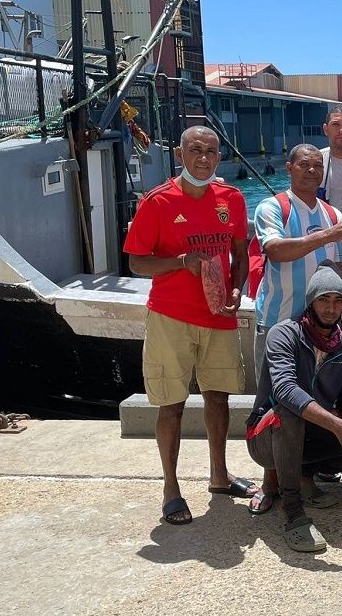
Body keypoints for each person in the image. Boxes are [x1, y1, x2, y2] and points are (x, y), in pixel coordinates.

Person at [123, 125, 256, 526]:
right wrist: (181, 262)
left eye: (211, 151)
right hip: (171, 317)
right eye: (195, 150)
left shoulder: (230, 199)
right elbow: (136, 261)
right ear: (180, 154)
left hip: (218, 316)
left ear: (219, 156)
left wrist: (237, 290)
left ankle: (219, 475)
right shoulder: (158, 201)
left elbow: (239, 252)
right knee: (171, 406)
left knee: (219, 398)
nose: (204, 157)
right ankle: (171, 488)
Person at [246, 262, 342, 552]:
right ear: (310, 301)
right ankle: (293, 510)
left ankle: (304, 478)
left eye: (337, 301)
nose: (331, 308)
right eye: (323, 299)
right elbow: (284, 390)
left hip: (309, 433)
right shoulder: (284, 334)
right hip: (265, 437)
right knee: (289, 413)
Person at [253, 144, 342, 373]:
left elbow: (339, 267)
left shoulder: (333, 214)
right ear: (289, 168)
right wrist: (326, 235)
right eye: (304, 165)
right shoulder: (272, 207)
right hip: (278, 322)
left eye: (317, 166)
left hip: (323, 327)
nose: (311, 170)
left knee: (319, 395)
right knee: (272, 401)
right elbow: (275, 250)